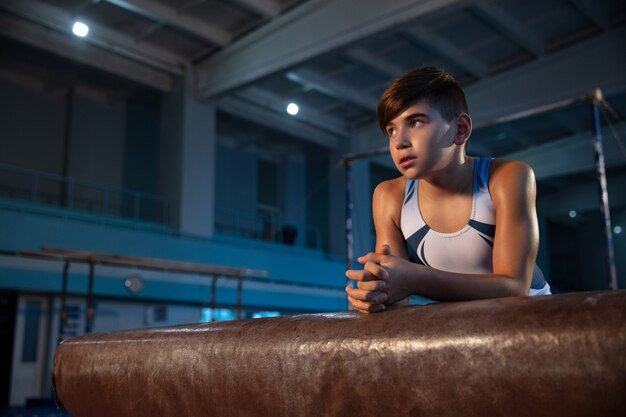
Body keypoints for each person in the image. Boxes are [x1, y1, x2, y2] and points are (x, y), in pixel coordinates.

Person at [345, 66, 551, 314]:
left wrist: (416, 278)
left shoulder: (506, 177)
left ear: (460, 129)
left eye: (416, 122)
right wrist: (375, 295)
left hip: (531, 316)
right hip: (461, 322)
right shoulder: (389, 196)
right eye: (391, 130)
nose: (399, 142)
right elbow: (396, 300)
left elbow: (515, 287)